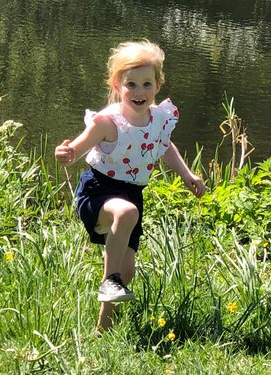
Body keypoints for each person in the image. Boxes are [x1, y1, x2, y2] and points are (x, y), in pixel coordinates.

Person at [54, 40, 206, 333]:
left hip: (133, 192)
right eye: (131, 84)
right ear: (117, 84)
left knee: (127, 270)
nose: (139, 92)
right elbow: (76, 149)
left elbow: (164, 147)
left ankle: (104, 324)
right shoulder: (108, 122)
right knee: (125, 214)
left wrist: (187, 175)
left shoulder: (160, 119)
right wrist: (66, 153)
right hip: (99, 189)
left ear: (157, 85)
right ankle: (110, 283)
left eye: (147, 84)